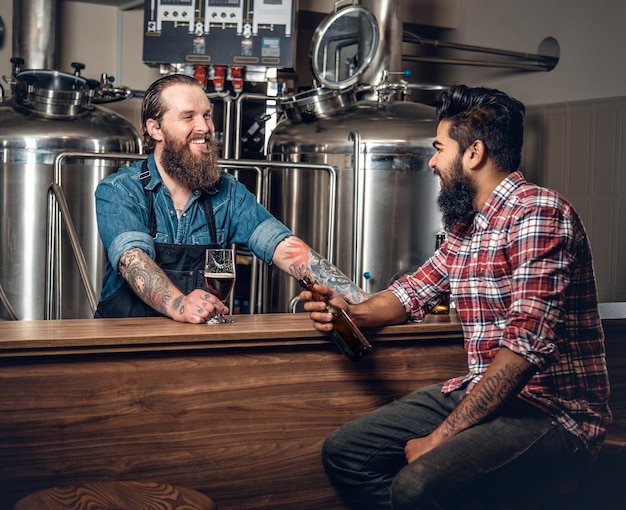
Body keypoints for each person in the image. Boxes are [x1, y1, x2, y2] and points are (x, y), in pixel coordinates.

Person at [301, 84, 611, 509]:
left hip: (553, 414)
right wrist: (351, 311)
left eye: (438, 148)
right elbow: (413, 292)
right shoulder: (468, 228)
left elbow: (523, 351)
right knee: (346, 452)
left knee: (415, 485)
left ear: (473, 153)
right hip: (481, 392)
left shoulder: (539, 213)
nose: (431, 161)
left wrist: (439, 439)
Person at [94, 73, 363, 322]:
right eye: (188, 117)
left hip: (193, 346)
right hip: (123, 342)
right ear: (155, 129)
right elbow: (133, 261)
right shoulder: (118, 191)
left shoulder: (228, 193)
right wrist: (179, 304)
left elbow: (285, 247)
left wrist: (363, 304)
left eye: (207, 115)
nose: (205, 127)